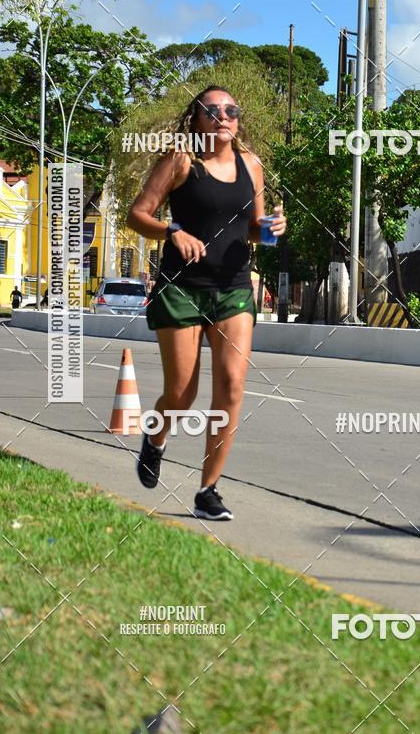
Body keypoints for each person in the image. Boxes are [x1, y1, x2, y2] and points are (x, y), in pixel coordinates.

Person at [126, 86, 286, 520]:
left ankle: (207, 491)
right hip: (181, 288)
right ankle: (155, 439)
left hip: (233, 287)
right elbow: (137, 214)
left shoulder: (251, 164)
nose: (223, 116)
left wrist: (272, 227)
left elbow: (253, 228)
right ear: (196, 120)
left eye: (231, 110)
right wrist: (171, 231)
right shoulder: (180, 160)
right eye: (212, 110)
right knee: (182, 393)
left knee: (232, 384)